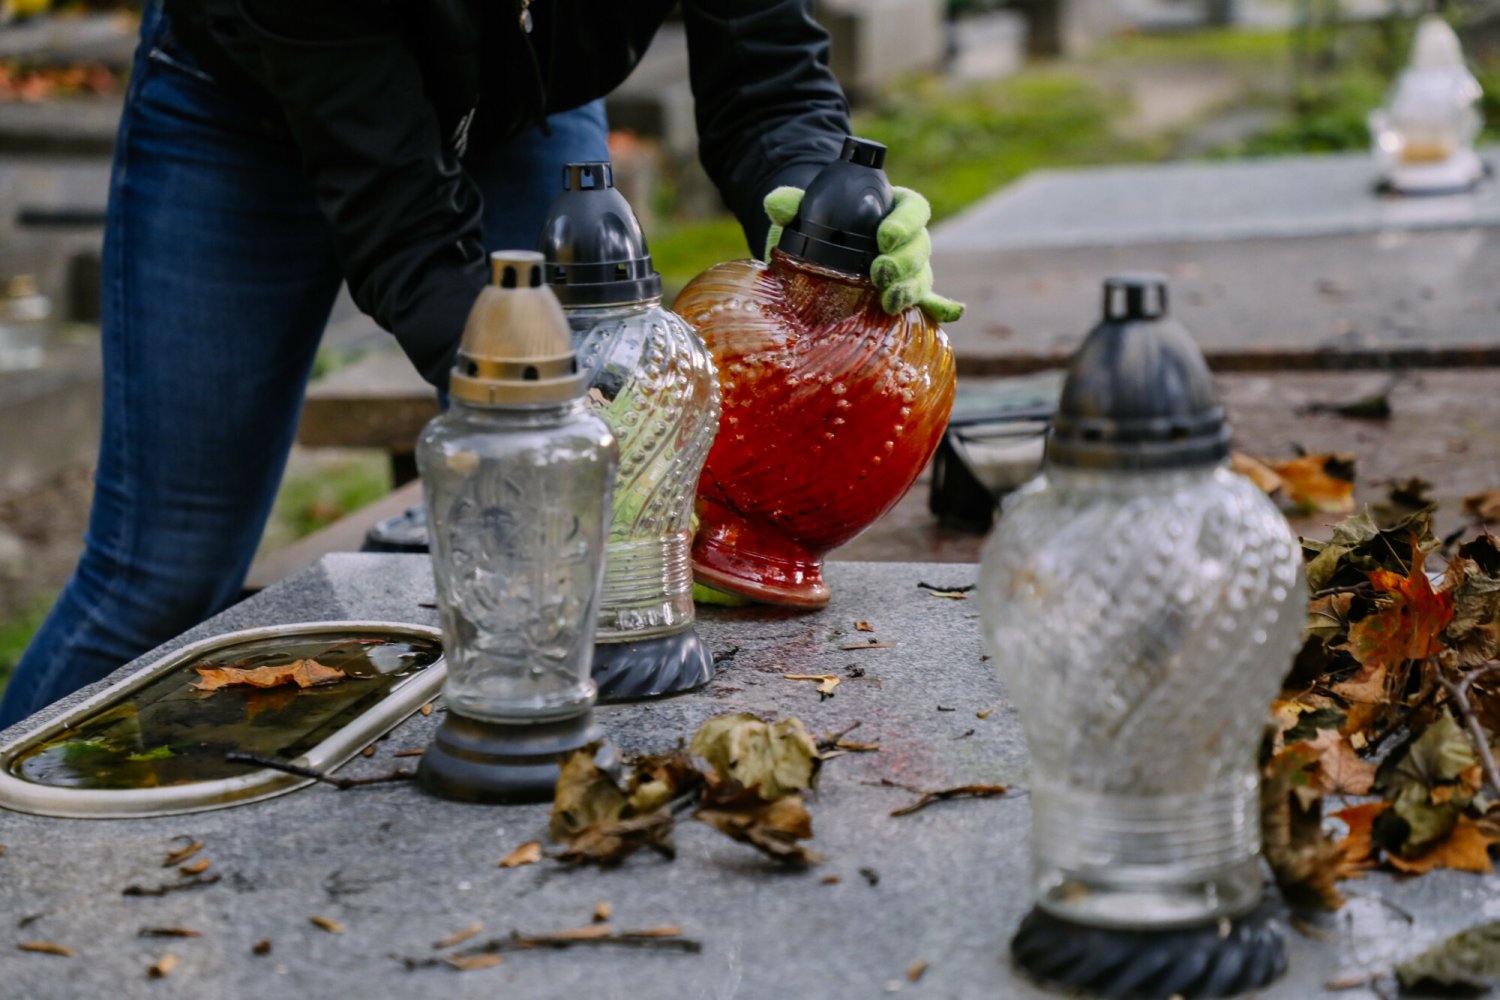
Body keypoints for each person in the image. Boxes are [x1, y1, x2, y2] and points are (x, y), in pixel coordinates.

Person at [0, 0, 957, 727]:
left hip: (525, 102)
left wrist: (815, 209)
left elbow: (767, 79)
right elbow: (406, 233)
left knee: (597, 520)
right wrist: (543, 398)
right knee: (161, 572)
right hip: (246, 109)